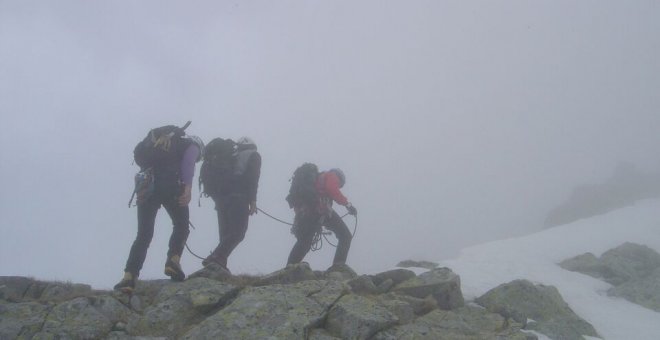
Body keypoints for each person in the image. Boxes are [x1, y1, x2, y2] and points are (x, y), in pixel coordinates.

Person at [114, 128, 204, 293]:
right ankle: (173, 262)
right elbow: (189, 163)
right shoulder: (190, 144)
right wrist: (188, 187)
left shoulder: (156, 145)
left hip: (147, 187)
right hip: (171, 187)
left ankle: (129, 276)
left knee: (144, 234)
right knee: (181, 225)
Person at [202, 136, 261, 272]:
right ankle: (216, 257)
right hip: (238, 197)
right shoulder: (253, 155)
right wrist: (253, 200)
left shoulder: (230, 155)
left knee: (225, 233)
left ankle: (219, 264)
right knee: (238, 232)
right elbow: (253, 178)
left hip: (221, 198)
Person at [287, 167, 357, 267]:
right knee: (345, 236)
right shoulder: (332, 175)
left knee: (305, 242)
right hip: (320, 210)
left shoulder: (318, 179)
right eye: (340, 185)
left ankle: (289, 267)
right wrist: (347, 205)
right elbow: (332, 189)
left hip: (308, 211)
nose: (339, 186)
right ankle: (338, 267)